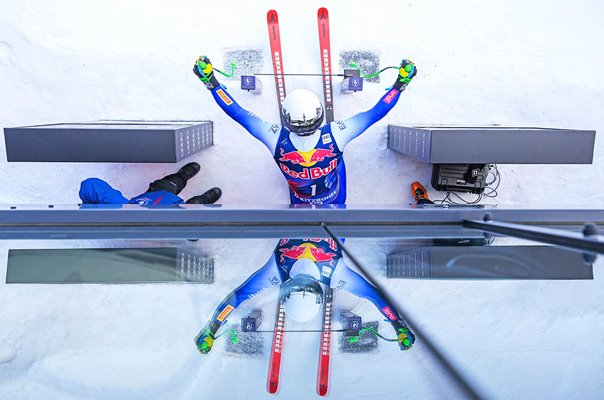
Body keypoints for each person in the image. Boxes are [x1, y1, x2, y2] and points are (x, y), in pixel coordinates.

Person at [193, 55, 417, 205]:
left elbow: (237, 112)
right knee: (337, 160)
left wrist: (210, 81)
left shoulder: (274, 138)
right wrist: (400, 83)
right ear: (319, 114)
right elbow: (376, 112)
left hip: (300, 198)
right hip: (335, 195)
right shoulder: (339, 133)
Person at [194, 238, 415, 354]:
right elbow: (237, 298)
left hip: (325, 200)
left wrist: (399, 326)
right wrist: (211, 328)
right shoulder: (277, 272)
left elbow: (376, 297)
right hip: (303, 193)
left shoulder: (335, 275)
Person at [79, 162, 222, 205]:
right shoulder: (120, 208)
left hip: (153, 199)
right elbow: (90, 185)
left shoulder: (119, 207)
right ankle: (201, 202)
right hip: (169, 212)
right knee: (192, 208)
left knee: (167, 186)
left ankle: (182, 177)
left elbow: (90, 185)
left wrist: (91, 208)